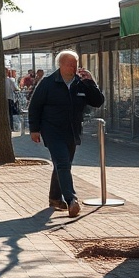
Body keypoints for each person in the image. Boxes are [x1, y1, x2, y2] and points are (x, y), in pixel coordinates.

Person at [27, 50, 104, 217]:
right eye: (70, 64)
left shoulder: (81, 83)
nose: (73, 67)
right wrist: (34, 129)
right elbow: (35, 106)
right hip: (52, 130)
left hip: (72, 131)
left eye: (75, 64)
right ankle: (71, 199)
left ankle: (55, 198)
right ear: (60, 65)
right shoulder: (48, 83)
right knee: (62, 163)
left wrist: (91, 82)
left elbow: (97, 102)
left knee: (62, 164)